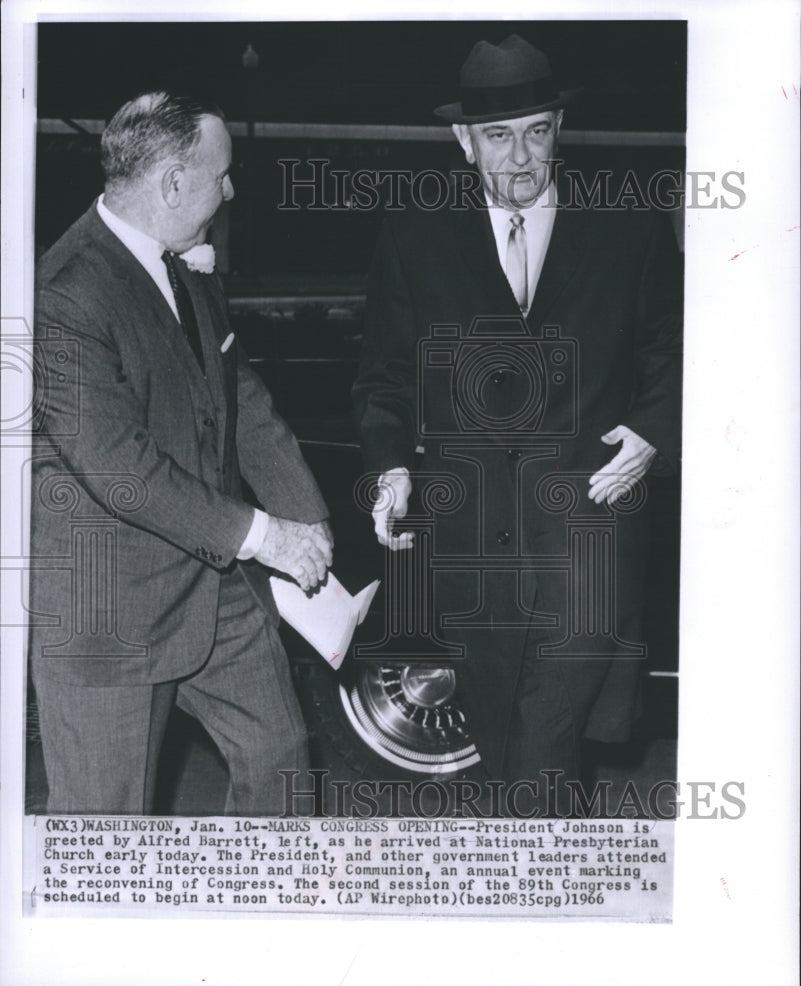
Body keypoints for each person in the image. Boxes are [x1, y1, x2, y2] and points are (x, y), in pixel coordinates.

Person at [353, 35, 682, 810]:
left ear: (558, 130)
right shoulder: (415, 236)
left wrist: (652, 430)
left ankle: (539, 890)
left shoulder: (625, 227)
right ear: (463, 142)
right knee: (500, 739)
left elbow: (674, 351)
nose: (521, 155)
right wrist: (391, 465)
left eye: (537, 130)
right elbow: (384, 377)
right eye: (498, 135)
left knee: (543, 737)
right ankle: (539, 893)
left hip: (587, 533)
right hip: (471, 542)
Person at [30, 91, 333, 815]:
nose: (230, 189)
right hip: (110, 605)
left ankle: (255, 916)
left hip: (211, 583)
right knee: (107, 833)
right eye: (221, 174)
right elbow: (120, 471)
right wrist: (264, 537)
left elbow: (242, 401)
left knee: (283, 760)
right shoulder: (63, 296)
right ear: (172, 183)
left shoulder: (185, 265)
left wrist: (305, 517)